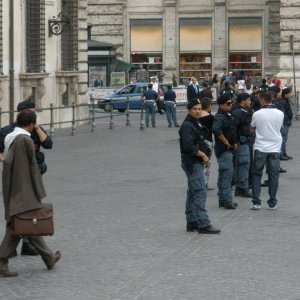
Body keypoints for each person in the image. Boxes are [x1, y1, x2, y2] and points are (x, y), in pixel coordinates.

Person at [0, 110, 61, 277]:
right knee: (21, 225)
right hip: (23, 189)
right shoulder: (24, 140)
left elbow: (9, 163)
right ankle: (1, 262)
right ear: (32, 124)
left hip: (15, 187)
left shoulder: (11, 137)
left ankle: (48, 258)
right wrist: (37, 189)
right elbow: (31, 168)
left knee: (23, 225)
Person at [179, 99, 220, 234]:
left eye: (199, 108)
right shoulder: (187, 125)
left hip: (193, 162)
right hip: (193, 162)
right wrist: (202, 154)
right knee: (200, 192)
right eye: (195, 109)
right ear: (188, 109)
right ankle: (203, 223)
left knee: (192, 191)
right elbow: (188, 146)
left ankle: (192, 221)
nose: (197, 111)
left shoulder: (194, 122)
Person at [251, 91, 284, 210]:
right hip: (275, 147)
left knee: (257, 174)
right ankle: (272, 202)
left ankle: (256, 202)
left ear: (263, 100)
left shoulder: (257, 114)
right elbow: (280, 127)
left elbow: (252, 127)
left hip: (260, 146)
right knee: (274, 175)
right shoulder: (280, 113)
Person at [212, 94, 238, 209]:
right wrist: (226, 142)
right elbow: (216, 129)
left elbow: (231, 130)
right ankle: (227, 200)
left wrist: (234, 142)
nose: (231, 105)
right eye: (228, 103)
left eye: (231, 103)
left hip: (229, 149)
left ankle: (223, 199)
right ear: (221, 105)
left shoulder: (226, 115)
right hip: (224, 150)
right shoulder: (220, 117)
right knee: (227, 175)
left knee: (224, 175)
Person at [232, 93, 253, 198]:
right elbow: (234, 128)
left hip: (244, 140)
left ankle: (240, 187)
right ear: (243, 101)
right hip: (241, 141)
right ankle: (243, 188)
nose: (250, 102)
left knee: (241, 165)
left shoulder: (244, 112)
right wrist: (235, 141)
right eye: (248, 100)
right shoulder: (238, 113)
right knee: (244, 164)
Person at [199, 98, 214, 190]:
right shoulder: (210, 117)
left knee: (198, 162)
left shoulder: (196, 116)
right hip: (208, 141)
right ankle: (204, 183)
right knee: (206, 162)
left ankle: (198, 182)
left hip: (198, 141)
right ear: (208, 106)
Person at [280, 87, 293, 160]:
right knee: (283, 138)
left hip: (287, 122)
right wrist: (285, 121)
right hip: (285, 122)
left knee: (284, 138)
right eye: (289, 93)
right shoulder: (283, 102)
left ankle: (284, 153)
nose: (290, 95)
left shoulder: (286, 101)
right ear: (285, 94)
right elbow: (283, 113)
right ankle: (281, 154)